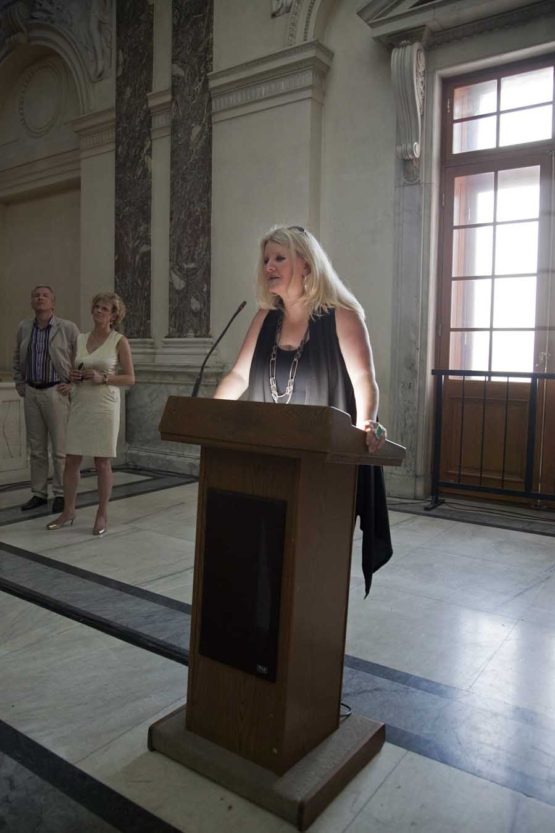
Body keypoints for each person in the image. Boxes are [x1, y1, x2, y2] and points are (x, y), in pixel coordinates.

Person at [213, 225, 392, 595]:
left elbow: (363, 380)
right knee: (266, 565)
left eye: (280, 258)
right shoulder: (264, 318)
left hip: (324, 469)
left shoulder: (341, 316)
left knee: (311, 568)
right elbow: (238, 375)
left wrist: (366, 423)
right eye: (266, 259)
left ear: (307, 265)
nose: (269, 266)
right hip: (268, 464)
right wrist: (212, 416)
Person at [46, 292, 135, 536]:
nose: (98, 311)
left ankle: (102, 513)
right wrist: (73, 378)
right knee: (71, 459)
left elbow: (130, 378)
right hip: (81, 402)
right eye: (96, 306)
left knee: (101, 462)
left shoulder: (119, 341)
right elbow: (75, 370)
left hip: (104, 405)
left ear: (113, 315)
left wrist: (103, 377)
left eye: (104, 308)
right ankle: (68, 511)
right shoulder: (81, 338)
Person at [13, 285, 79, 513]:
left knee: (60, 450)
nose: (40, 298)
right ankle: (39, 493)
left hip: (56, 392)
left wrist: (73, 384)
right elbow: (17, 356)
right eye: (36, 295)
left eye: (45, 295)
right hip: (31, 392)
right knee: (37, 449)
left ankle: (61, 493)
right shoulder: (24, 327)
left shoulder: (67, 328)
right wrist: (19, 382)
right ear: (32, 301)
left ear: (53, 302)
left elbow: (80, 358)